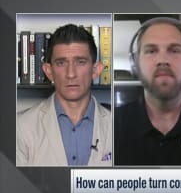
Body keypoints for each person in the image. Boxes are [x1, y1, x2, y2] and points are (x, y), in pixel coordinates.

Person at [114, 17, 181, 165]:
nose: (163, 60)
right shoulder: (110, 127)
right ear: (135, 64)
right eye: (151, 50)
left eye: (174, 50)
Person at [16, 24, 112, 166]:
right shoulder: (20, 126)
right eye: (61, 63)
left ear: (96, 70)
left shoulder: (118, 126)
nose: (71, 74)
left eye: (80, 62)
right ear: (49, 71)